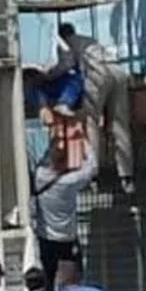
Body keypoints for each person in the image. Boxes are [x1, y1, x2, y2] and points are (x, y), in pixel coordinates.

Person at [57, 22, 134, 193]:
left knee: (91, 123)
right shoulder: (89, 39)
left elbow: (66, 65)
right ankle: (126, 176)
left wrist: (48, 76)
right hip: (118, 71)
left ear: (62, 35)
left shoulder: (65, 43)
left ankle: (93, 174)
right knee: (120, 125)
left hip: (97, 73)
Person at [32, 130, 98, 291]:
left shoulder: (40, 176)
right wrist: (84, 141)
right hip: (67, 238)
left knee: (48, 274)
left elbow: (47, 158)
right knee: (74, 277)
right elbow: (92, 167)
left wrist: (55, 142)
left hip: (45, 236)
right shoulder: (69, 182)